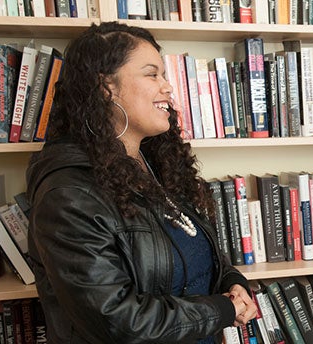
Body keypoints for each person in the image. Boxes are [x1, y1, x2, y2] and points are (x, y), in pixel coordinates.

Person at [26, 22, 257, 343]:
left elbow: (198, 254)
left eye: (164, 75)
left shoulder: (158, 165)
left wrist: (233, 283)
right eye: (152, 74)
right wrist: (222, 311)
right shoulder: (67, 195)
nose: (168, 87)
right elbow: (119, 322)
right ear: (105, 87)